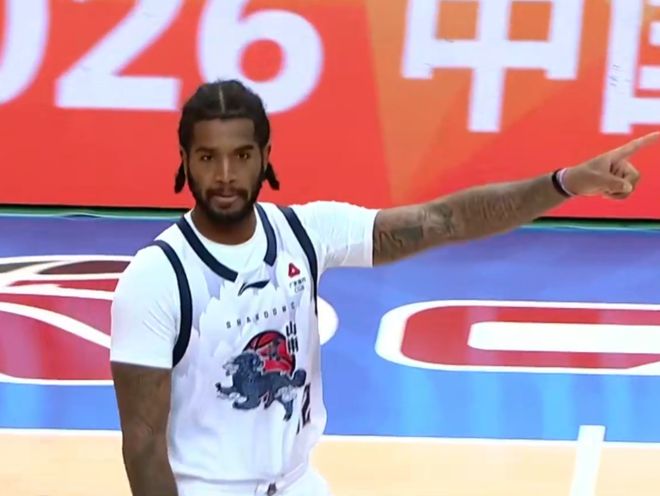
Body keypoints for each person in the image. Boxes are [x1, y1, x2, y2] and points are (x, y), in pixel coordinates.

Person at [109, 79, 657, 496]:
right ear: (185, 161)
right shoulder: (157, 277)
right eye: (208, 157)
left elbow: (444, 221)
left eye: (242, 155)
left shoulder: (305, 234)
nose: (226, 174)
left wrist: (566, 183)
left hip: (298, 483)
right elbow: (143, 442)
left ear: (265, 157)